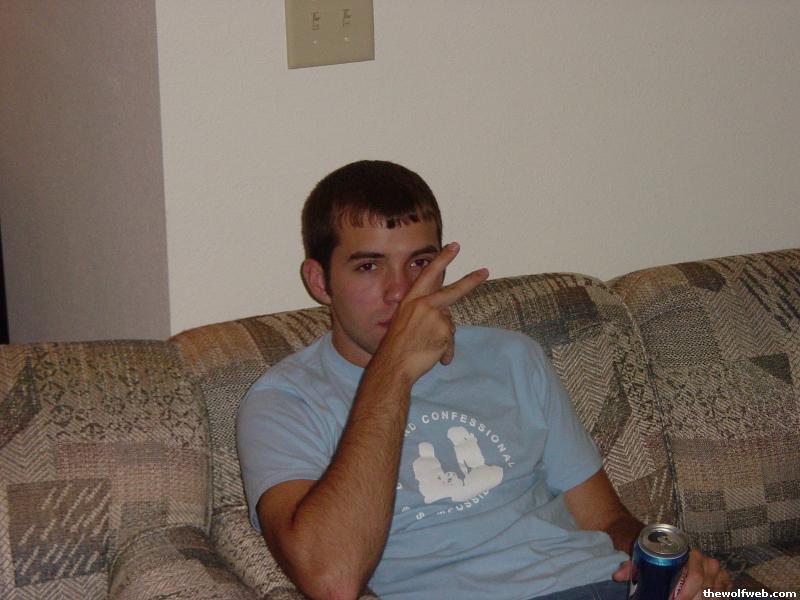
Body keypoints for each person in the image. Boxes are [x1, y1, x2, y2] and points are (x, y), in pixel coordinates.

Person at [237, 160, 731, 600]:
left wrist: (666, 562)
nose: (401, 292)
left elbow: (606, 520)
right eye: (369, 266)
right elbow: (332, 580)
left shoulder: (512, 356)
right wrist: (394, 371)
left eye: (420, 264)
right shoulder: (285, 401)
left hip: (604, 583)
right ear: (319, 281)